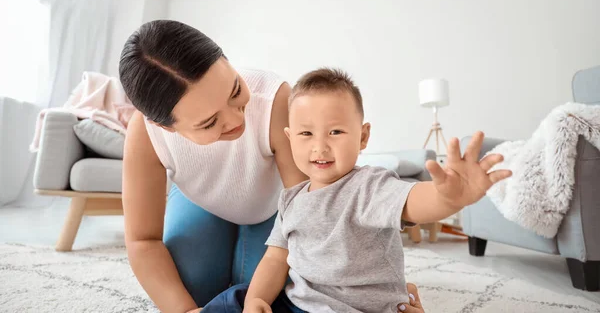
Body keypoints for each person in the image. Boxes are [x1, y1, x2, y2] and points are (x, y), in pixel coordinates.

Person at [118, 20, 424, 313]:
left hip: (274, 209)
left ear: (226, 60)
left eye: (235, 91)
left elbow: (319, 209)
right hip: (201, 202)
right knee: (193, 288)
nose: (237, 120)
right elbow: (143, 240)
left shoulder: (273, 98)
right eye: (210, 122)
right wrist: (184, 310)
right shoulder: (146, 134)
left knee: (275, 292)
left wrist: (382, 292)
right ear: (165, 126)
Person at [201, 68, 511, 313]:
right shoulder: (291, 198)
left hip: (357, 308)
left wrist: (447, 198)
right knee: (234, 298)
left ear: (363, 137)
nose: (320, 146)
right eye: (306, 133)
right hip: (299, 302)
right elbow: (276, 256)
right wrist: (257, 299)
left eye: (335, 131)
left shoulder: (369, 186)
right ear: (290, 138)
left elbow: (412, 201)